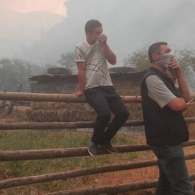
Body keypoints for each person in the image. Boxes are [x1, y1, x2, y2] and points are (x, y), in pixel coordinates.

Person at [140, 42, 193, 194]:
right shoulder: (153, 79)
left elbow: (186, 97)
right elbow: (177, 104)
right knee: (184, 189)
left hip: (169, 139)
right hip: (166, 142)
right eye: (167, 51)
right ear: (156, 56)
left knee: (166, 185)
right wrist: (182, 103)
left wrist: (179, 75)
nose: (171, 54)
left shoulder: (164, 77)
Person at [74, 19, 129, 156]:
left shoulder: (102, 44)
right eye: (98, 32)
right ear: (89, 33)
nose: (101, 35)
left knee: (123, 113)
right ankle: (94, 141)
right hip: (92, 87)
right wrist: (82, 89)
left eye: (101, 32)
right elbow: (81, 70)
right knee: (104, 113)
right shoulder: (80, 47)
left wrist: (105, 44)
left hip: (108, 85)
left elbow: (113, 60)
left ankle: (105, 140)